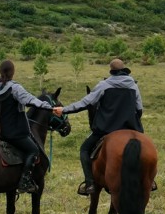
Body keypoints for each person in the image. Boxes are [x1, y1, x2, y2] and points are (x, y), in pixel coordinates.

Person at [52, 58, 144, 195]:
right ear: (125, 70)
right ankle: (149, 180)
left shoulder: (104, 85)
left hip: (106, 129)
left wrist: (63, 110)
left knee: (84, 149)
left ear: (111, 72)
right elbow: (139, 110)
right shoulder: (133, 86)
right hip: (131, 128)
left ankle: (89, 183)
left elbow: (85, 103)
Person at [0, 59, 55, 194]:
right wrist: (50, 108)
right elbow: (30, 100)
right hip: (11, 132)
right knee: (33, 150)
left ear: (0, 71)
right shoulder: (15, 88)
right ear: (12, 72)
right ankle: (25, 181)